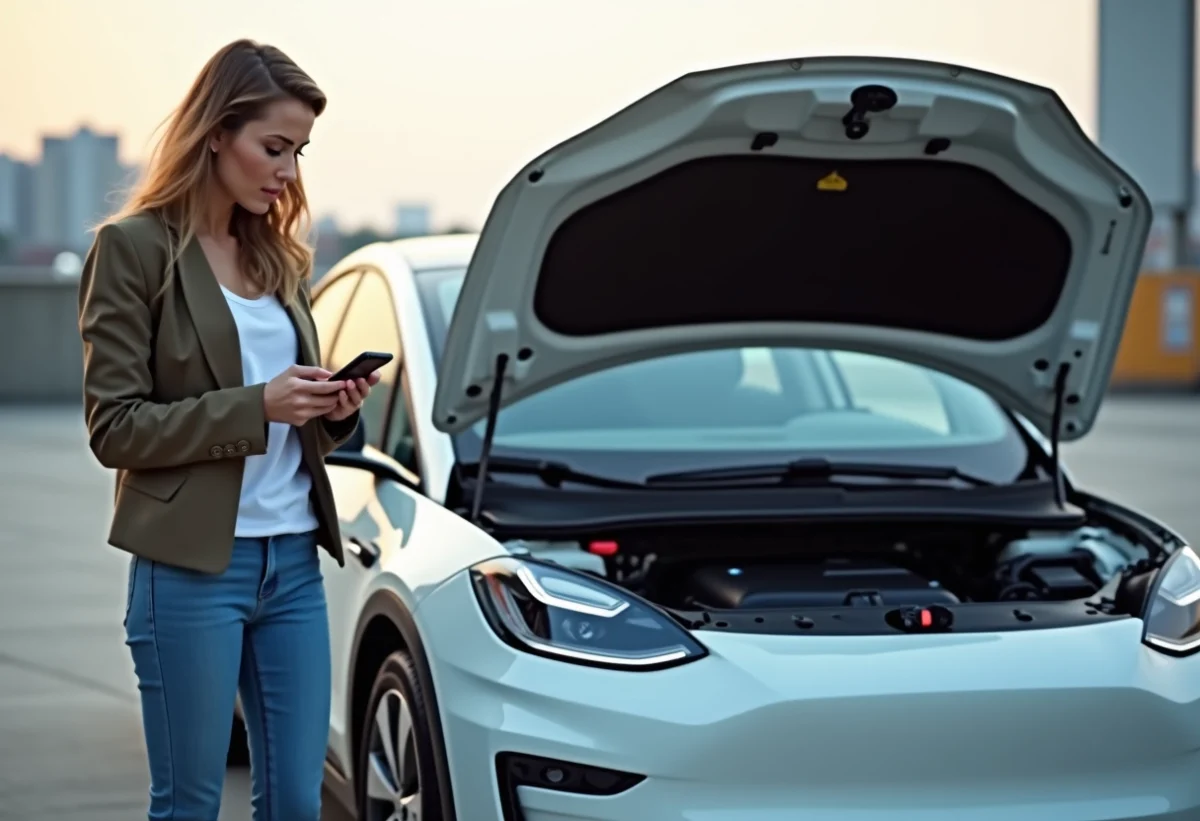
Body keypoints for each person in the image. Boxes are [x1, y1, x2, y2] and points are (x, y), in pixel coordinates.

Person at [77, 39, 378, 821]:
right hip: (188, 572)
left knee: (296, 805)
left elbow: (288, 413)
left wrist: (330, 409)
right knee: (189, 805)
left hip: (294, 568)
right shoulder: (134, 250)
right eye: (273, 147)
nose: (288, 170)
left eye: (299, 151)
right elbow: (116, 427)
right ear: (217, 133)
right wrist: (258, 407)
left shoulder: (278, 257)